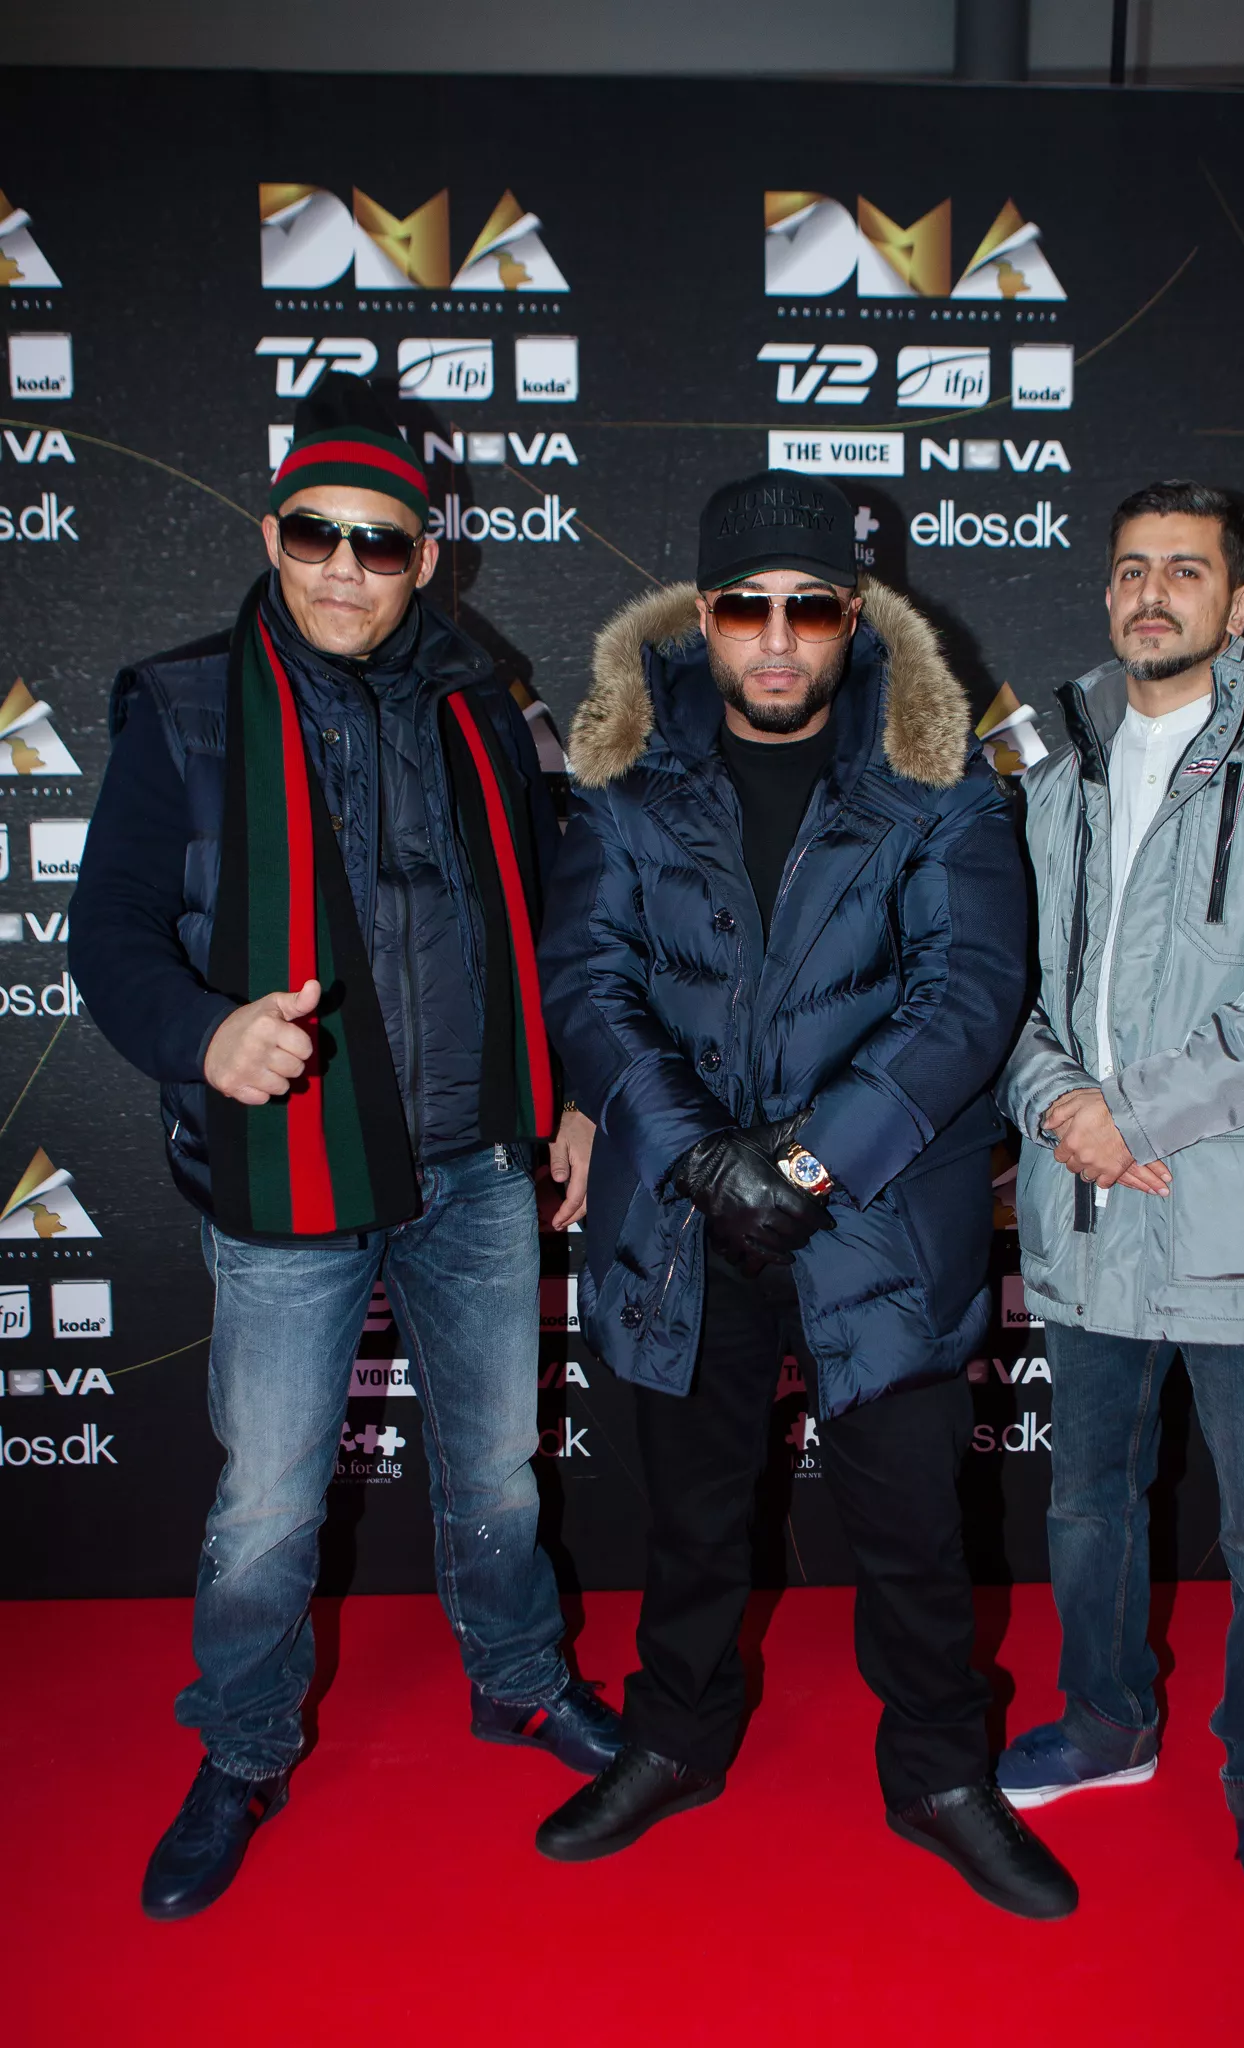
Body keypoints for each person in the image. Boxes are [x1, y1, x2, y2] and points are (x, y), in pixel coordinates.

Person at [69, 373, 619, 1921]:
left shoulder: (485, 704)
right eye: (316, 533)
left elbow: (555, 924)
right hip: (288, 1168)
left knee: (497, 1469)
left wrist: (573, 1094)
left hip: (479, 1166)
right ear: (272, 533)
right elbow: (107, 931)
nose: (343, 568)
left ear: (423, 559)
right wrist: (203, 1035)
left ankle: (518, 1682)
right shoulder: (186, 704)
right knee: (267, 1502)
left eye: (378, 543)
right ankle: (243, 1748)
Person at [533, 470, 1076, 1921]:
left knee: (913, 1524)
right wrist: (705, 1157)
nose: (777, 639)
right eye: (746, 607)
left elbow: (969, 995)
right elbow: (587, 983)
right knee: (691, 1516)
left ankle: (941, 1774)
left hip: (879, 1214)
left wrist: (809, 1161)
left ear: (854, 616)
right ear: (701, 617)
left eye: (809, 608)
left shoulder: (942, 779)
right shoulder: (623, 782)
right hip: (682, 1216)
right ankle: (675, 1739)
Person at [994, 481, 1244, 1944]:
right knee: (1088, 1498)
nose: (1150, 594)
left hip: (1237, 1209)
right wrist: (1060, 1107)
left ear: (1242, 604)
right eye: (1130, 570)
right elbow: (998, 976)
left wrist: (1138, 1115)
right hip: (1088, 1204)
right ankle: (1107, 1718)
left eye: (1185, 571)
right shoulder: (1054, 766)